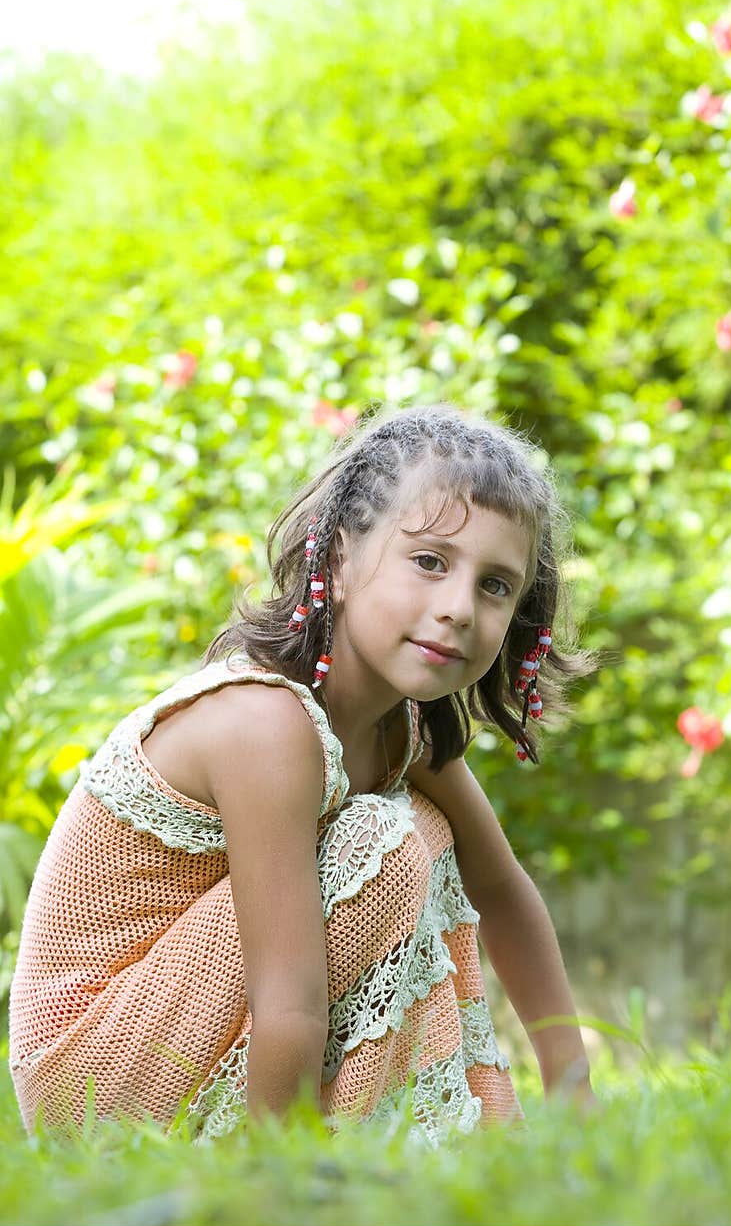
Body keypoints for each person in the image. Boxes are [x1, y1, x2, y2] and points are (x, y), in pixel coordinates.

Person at [8, 402, 607, 1145]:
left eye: (495, 585)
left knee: (420, 827)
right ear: (342, 560)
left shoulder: (403, 732)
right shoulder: (267, 726)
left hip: (180, 1025)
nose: (458, 607)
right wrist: (274, 1190)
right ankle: (302, 1155)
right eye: (429, 561)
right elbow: (288, 998)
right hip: (91, 1074)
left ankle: (434, 1141)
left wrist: (574, 1090)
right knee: (384, 845)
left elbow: (505, 890)